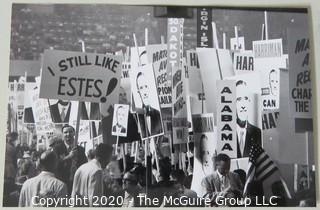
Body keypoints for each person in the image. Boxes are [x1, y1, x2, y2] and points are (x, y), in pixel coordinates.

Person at [54, 125, 87, 194]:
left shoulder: (80, 149)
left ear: (74, 133)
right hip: (62, 182)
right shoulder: (57, 148)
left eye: (70, 132)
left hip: (78, 182)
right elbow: (55, 164)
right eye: (65, 132)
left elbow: (84, 165)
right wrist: (68, 157)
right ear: (62, 134)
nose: (68, 134)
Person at [236, 80, 262, 158]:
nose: (243, 105)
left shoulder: (257, 133)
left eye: (246, 98)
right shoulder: (226, 135)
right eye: (239, 99)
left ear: (249, 102)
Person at [135, 71, 163, 138]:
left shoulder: (158, 114)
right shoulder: (137, 117)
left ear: (149, 88)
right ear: (138, 92)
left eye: (146, 86)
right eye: (141, 88)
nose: (144, 93)